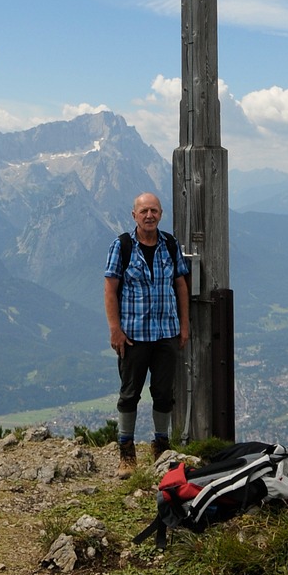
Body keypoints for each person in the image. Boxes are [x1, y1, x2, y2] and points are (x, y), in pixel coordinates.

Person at [104, 192, 190, 477]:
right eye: (144, 211)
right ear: (134, 215)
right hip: (134, 335)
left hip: (166, 332)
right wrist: (115, 329)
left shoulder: (170, 244)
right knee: (129, 394)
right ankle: (126, 453)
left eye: (154, 211)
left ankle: (161, 447)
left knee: (164, 393)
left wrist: (184, 325)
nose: (149, 215)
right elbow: (110, 289)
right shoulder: (123, 246)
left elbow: (180, 285)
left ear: (161, 214)